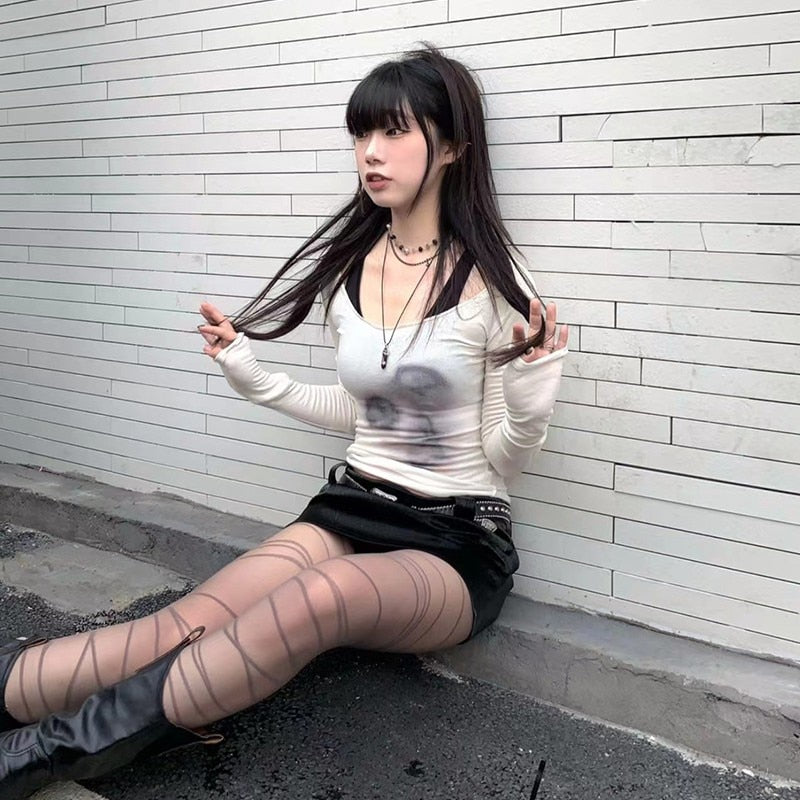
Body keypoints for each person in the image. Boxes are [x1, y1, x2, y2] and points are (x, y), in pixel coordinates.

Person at [0, 44, 568, 798]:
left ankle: (40, 756)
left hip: (455, 542)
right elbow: (366, 414)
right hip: (353, 505)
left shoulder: (496, 284)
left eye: (394, 131)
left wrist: (528, 405)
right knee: (186, 620)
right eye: (360, 134)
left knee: (319, 595)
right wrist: (254, 377)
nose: (370, 153)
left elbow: (504, 458)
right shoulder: (351, 272)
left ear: (454, 147)